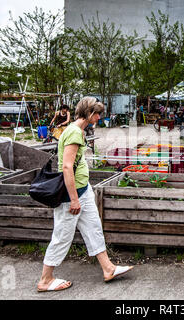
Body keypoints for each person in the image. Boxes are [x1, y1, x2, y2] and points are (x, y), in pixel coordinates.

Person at [37, 97, 134, 292]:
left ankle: (108, 268)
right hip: (71, 195)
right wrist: (73, 199)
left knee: (93, 227)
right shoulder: (73, 132)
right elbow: (66, 167)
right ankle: (45, 279)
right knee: (62, 236)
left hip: (84, 190)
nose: (99, 117)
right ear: (89, 113)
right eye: (97, 113)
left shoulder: (78, 130)